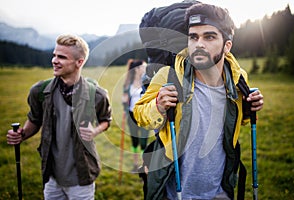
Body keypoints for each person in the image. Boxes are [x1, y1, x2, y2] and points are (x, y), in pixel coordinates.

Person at [133, 2, 264, 200]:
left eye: (209, 37)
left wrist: (248, 109)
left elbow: (233, 121)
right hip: (175, 191)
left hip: (220, 191)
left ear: (227, 45)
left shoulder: (237, 79)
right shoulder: (168, 76)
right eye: (193, 37)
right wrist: (157, 107)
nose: (199, 44)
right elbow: (140, 115)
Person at [7, 34, 112, 199]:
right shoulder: (39, 91)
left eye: (61, 57)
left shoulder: (97, 95)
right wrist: (21, 135)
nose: (54, 60)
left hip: (82, 177)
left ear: (80, 62)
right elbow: (34, 120)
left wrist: (95, 130)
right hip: (52, 177)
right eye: (54, 55)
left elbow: (106, 120)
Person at [122, 59, 149, 172]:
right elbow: (124, 99)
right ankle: (135, 164)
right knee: (134, 141)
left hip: (144, 116)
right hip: (131, 115)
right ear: (137, 69)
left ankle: (143, 165)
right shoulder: (129, 84)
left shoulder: (147, 82)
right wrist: (124, 103)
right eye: (143, 66)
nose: (145, 68)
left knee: (143, 141)